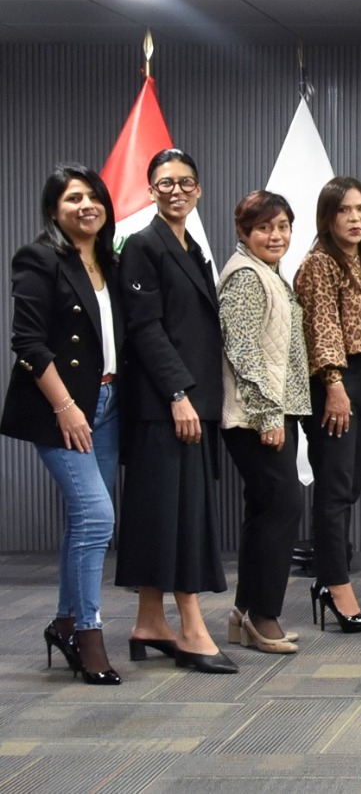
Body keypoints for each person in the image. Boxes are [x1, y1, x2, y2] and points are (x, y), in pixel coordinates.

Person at [115, 149, 236, 674]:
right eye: (165, 183)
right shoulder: (143, 246)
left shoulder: (193, 249)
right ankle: (190, 627)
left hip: (195, 405)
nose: (176, 190)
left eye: (186, 182)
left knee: (167, 515)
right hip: (168, 407)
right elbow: (146, 329)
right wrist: (178, 394)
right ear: (150, 190)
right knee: (178, 519)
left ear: (199, 190)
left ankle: (149, 622)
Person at [3, 164, 124, 684]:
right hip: (65, 408)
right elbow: (27, 342)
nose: (86, 205)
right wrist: (64, 407)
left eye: (94, 196)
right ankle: (88, 632)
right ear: (54, 209)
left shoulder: (111, 261)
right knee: (98, 519)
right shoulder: (40, 258)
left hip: (111, 402)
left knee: (82, 521)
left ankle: (64, 622)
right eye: (73, 198)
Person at [218, 191, 312, 655]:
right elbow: (243, 351)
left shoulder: (268, 274)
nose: (276, 236)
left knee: (264, 509)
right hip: (257, 417)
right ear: (244, 232)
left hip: (271, 412)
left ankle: (244, 611)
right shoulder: (246, 279)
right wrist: (267, 414)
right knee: (282, 507)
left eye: (283, 227)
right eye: (264, 228)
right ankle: (263, 615)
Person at [294, 177, 361, 633]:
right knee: (334, 489)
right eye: (344, 210)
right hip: (335, 383)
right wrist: (334, 384)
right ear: (327, 217)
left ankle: (333, 578)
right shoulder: (319, 264)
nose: (355, 218)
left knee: (348, 487)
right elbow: (321, 329)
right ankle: (334, 585)